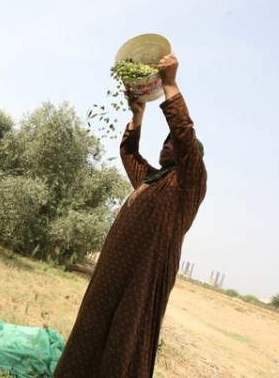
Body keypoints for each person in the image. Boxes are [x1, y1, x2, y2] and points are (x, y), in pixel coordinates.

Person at [53, 54, 207, 377]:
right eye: (165, 142)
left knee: (126, 338)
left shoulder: (189, 184)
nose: (168, 146)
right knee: (93, 326)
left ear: (188, 153)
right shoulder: (152, 180)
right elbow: (129, 154)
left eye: (174, 143)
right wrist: (138, 114)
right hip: (113, 270)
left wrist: (170, 84)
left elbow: (184, 132)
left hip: (144, 276)